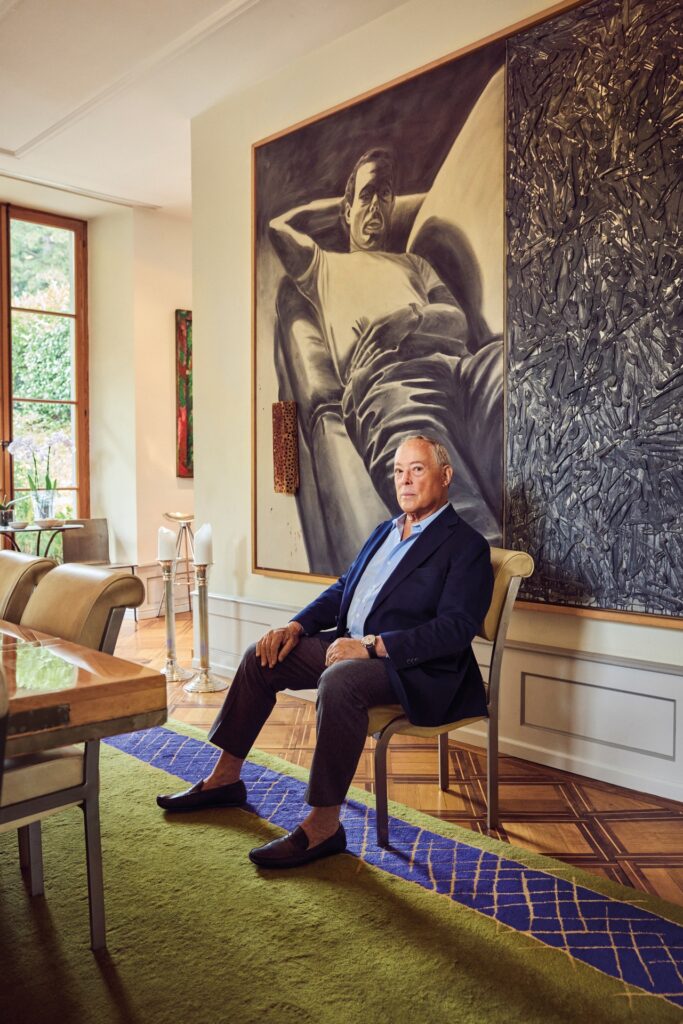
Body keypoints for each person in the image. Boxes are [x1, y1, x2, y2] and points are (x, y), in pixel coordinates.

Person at [157, 435, 494, 870]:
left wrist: (371, 646)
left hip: (413, 668)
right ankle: (225, 779)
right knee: (263, 656)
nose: (405, 481)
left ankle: (323, 825)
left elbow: (455, 629)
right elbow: (342, 589)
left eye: (417, 469)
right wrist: (295, 627)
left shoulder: (465, 545)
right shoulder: (385, 531)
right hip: (349, 645)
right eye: (399, 471)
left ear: (445, 476)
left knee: (340, 681)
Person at [269, 147, 503, 549]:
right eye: (367, 195)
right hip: (392, 382)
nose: (377, 205)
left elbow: (456, 321)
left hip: (462, 369)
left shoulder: (414, 264)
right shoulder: (322, 266)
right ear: (347, 209)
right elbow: (278, 227)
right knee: (456, 520)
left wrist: (407, 321)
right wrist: (350, 206)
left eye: (385, 195)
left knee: (514, 383)